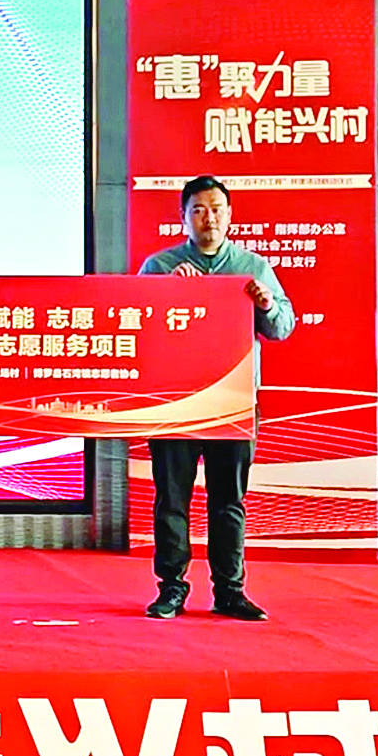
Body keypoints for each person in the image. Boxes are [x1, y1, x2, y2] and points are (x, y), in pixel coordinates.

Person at [137, 175, 295, 622]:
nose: (209, 218)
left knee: (229, 499)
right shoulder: (160, 266)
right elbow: (137, 328)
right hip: (176, 402)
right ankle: (171, 588)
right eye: (199, 210)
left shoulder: (252, 267)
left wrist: (266, 304)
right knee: (172, 498)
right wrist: (169, 294)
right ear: (183, 217)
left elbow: (282, 328)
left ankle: (229, 591)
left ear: (230, 216)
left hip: (233, 401)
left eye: (217, 209)